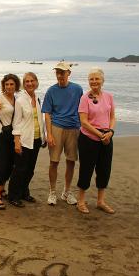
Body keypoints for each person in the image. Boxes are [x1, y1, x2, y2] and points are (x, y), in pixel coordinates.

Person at [42, 61, 83, 206]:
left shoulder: (77, 89)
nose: (59, 75)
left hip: (74, 128)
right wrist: (49, 134)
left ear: (69, 73)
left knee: (71, 161)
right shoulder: (51, 91)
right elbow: (47, 113)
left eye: (62, 72)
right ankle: (52, 192)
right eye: (57, 72)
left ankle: (66, 191)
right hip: (56, 127)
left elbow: (83, 109)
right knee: (54, 162)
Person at [76, 67, 116, 214]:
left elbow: (112, 117)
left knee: (104, 170)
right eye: (91, 79)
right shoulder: (84, 98)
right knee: (86, 170)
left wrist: (110, 132)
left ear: (102, 80)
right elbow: (84, 122)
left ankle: (100, 201)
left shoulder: (109, 97)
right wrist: (100, 135)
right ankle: (80, 201)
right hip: (89, 139)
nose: (94, 81)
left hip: (107, 138)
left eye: (97, 78)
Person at [8, 72, 46, 207]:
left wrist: (43, 136)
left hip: (35, 139)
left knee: (30, 169)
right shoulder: (20, 100)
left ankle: (24, 192)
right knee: (20, 169)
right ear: (24, 85)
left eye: (32, 81)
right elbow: (16, 123)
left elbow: (40, 120)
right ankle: (13, 195)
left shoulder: (38, 98)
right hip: (24, 140)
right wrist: (16, 141)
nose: (30, 84)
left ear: (36, 82)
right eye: (27, 82)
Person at [0, 74, 21, 209]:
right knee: (2, 164)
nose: (9, 86)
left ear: (16, 86)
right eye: (7, 84)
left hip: (13, 135)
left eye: (11, 84)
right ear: (4, 85)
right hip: (2, 134)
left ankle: (2, 189)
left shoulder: (17, 99)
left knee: (10, 164)